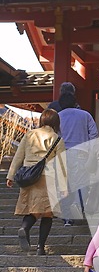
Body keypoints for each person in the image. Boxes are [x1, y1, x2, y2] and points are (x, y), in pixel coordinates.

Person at [6, 108, 66, 255]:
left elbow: (18, 156)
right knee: (47, 213)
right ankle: (40, 247)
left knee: (32, 209)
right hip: (47, 178)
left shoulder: (29, 134)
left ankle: (25, 228)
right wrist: (64, 187)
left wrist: (11, 175)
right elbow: (61, 165)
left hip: (28, 176)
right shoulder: (57, 139)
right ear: (56, 122)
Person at [58, 92, 99, 225]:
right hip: (82, 153)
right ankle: (77, 207)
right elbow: (94, 135)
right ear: (75, 102)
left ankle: (66, 217)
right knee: (81, 185)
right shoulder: (85, 115)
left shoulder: (58, 117)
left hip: (62, 154)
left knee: (64, 185)